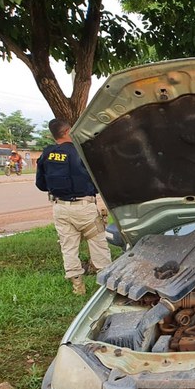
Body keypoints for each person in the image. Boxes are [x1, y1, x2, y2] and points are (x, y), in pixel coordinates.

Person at [36, 118, 111, 295]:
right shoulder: (80, 152)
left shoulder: (47, 154)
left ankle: (78, 287)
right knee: (98, 244)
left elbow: (41, 184)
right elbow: (99, 179)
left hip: (60, 208)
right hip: (84, 207)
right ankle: (105, 288)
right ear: (68, 132)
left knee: (68, 247)